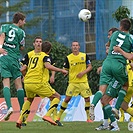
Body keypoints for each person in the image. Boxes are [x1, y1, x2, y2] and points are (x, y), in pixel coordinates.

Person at [90, 18, 133, 131]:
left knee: (106, 98)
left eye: (110, 34)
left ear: (120, 27)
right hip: (115, 68)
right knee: (104, 100)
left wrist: (119, 51)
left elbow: (129, 57)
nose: (109, 36)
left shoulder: (117, 37)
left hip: (117, 70)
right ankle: (110, 123)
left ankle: (114, 111)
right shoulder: (128, 38)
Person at [16, 39, 68, 129]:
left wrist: (24, 76)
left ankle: (21, 119)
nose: (38, 43)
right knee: (57, 97)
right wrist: (61, 70)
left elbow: (23, 69)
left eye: (40, 42)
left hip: (27, 82)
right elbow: (48, 66)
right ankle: (48, 115)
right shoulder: (45, 56)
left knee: (29, 99)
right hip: (39, 83)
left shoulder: (29, 54)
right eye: (37, 41)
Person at [55, 41, 92, 123]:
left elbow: (90, 67)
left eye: (76, 45)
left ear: (79, 47)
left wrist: (83, 72)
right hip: (73, 82)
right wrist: (64, 72)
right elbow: (65, 69)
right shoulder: (68, 58)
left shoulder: (84, 56)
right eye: (73, 45)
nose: (75, 47)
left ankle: (88, 118)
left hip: (83, 82)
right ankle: (58, 117)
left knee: (87, 99)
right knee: (67, 99)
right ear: (71, 47)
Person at [0, 12, 26, 121]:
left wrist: (0, 47)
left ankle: (9, 107)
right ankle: (22, 111)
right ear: (19, 21)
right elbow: (21, 47)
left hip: (4, 57)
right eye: (24, 20)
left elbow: (2, 35)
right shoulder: (21, 32)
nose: (24, 22)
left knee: (6, 82)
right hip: (14, 59)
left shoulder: (4, 26)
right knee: (18, 85)